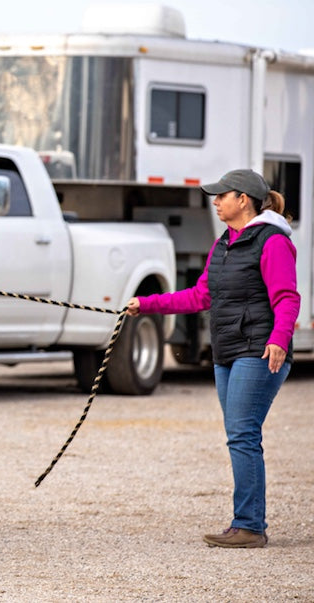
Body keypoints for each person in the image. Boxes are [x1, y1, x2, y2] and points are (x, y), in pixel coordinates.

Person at [127, 168, 299, 549]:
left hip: (257, 350)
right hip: (226, 352)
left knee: (242, 434)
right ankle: (247, 522)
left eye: (223, 195)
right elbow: (199, 296)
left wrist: (279, 340)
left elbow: (287, 297)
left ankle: (250, 526)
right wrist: (147, 305)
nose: (216, 201)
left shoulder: (272, 242)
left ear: (244, 200)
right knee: (239, 434)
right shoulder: (223, 244)